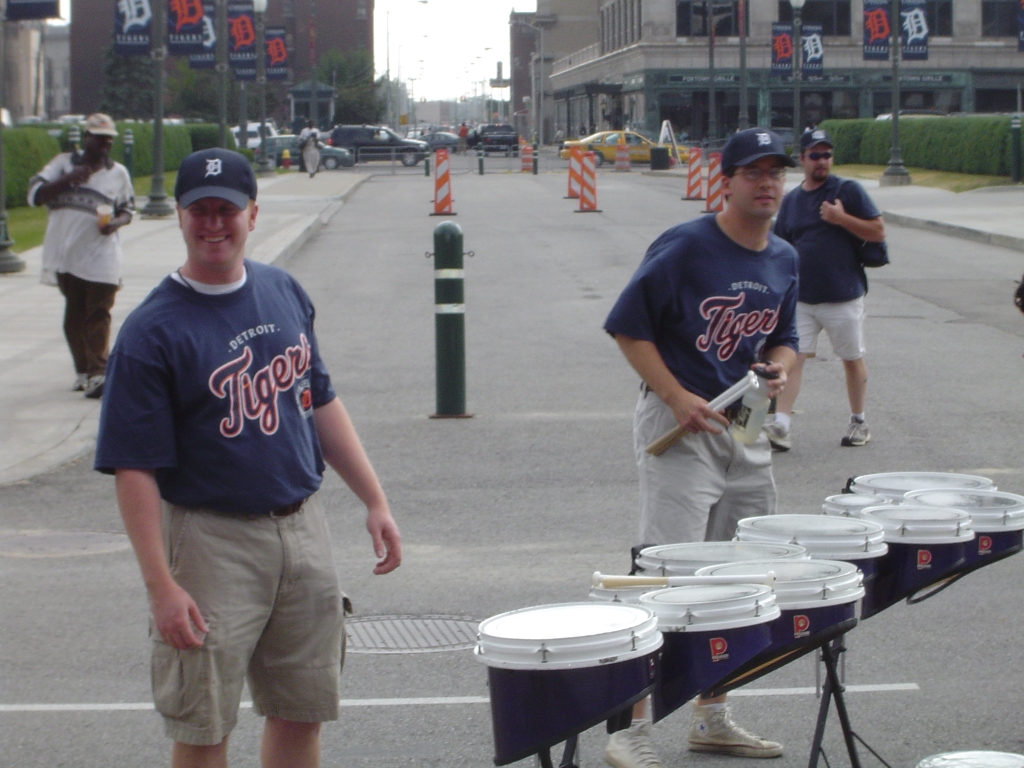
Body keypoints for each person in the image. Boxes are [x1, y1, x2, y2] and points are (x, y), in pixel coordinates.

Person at [94, 148, 402, 768]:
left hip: (301, 529)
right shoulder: (152, 332)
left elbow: (319, 402)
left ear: (253, 214)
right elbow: (135, 470)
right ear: (179, 217)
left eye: (226, 210)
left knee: (302, 710)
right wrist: (161, 587)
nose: (214, 225)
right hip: (211, 543)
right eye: (199, 211)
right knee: (204, 724)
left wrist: (374, 499)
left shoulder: (282, 291)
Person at [602, 127, 799, 768]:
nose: (767, 183)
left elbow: (783, 339)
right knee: (666, 573)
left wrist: (777, 369)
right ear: (727, 179)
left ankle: (712, 715)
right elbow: (628, 328)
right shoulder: (687, 246)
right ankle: (628, 729)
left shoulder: (784, 259)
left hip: (745, 418)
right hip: (680, 420)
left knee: (738, 576)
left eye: (776, 172)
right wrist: (678, 396)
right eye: (754, 172)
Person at [765, 128, 885, 450]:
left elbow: (877, 231)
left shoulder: (847, 190)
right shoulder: (791, 201)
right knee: (794, 359)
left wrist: (841, 218)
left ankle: (858, 421)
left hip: (843, 295)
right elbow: (782, 247)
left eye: (827, 155)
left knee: (851, 357)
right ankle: (781, 425)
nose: (822, 161)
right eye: (815, 155)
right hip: (802, 298)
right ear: (802, 159)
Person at [28, 112, 135, 399]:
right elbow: (35, 195)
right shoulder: (62, 164)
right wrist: (68, 180)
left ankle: (99, 373)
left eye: (108, 140)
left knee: (98, 313)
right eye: (99, 139)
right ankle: (84, 372)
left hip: (102, 256)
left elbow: (128, 208)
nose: (104, 145)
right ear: (86, 137)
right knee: (74, 317)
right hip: (66, 256)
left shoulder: (118, 173)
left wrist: (116, 222)